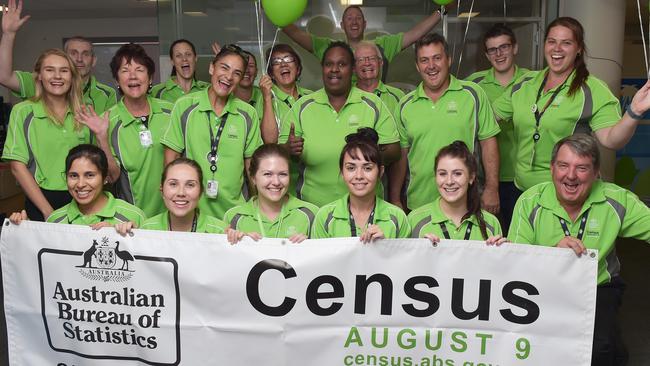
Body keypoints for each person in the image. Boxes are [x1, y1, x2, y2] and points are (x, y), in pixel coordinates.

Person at [508, 134, 650, 366]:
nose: (571, 175)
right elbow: (514, 262)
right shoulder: (529, 202)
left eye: (582, 168)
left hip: (598, 287)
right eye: (563, 166)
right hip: (541, 288)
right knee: (537, 347)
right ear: (552, 168)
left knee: (600, 348)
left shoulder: (616, 200)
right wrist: (553, 254)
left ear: (596, 174)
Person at [492, 17, 650, 193]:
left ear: (579, 49)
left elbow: (611, 139)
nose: (557, 48)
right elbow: (488, 119)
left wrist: (634, 111)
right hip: (522, 192)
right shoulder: (524, 83)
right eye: (551, 41)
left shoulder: (592, 89)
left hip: (568, 192)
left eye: (566, 43)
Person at [278, 41, 400, 207]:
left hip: (365, 208)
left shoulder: (373, 105)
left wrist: (369, 153)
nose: (334, 69)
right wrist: (288, 149)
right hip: (313, 208)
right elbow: (278, 155)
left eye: (342, 64)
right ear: (322, 68)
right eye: (329, 64)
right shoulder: (302, 106)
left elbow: (394, 150)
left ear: (353, 69)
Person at [1, 48, 115, 222]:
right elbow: (17, 166)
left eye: (64, 71)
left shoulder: (84, 113)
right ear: (39, 76)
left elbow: (108, 172)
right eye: (49, 70)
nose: (57, 76)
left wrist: (102, 136)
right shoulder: (23, 111)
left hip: (85, 200)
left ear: (72, 77)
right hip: (42, 201)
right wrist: (48, 211)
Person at [392, 33, 501, 213]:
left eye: (437, 58)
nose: (431, 66)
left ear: (448, 60)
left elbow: (488, 142)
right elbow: (401, 156)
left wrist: (492, 188)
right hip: (420, 204)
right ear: (417, 66)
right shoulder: (405, 105)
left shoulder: (472, 95)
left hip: (466, 203)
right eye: (424, 60)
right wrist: (395, 197)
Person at [161, 44, 263, 219]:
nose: (229, 77)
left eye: (237, 73)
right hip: (193, 211)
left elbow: (251, 167)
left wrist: (255, 210)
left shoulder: (247, 114)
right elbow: (171, 160)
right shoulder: (185, 106)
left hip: (235, 213)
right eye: (224, 68)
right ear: (211, 68)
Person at [87, 43, 172, 217]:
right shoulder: (107, 121)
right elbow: (111, 177)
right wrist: (102, 138)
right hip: (131, 220)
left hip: (175, 214)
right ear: (117, 80)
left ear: (150, 78)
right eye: (125, 70)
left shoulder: (171, 113)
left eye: (139, 69)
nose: (133, 76)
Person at [465, 23, 529, 232]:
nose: (499, 54)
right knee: (486, 237)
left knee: (521, 236)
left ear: (515, 48)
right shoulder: (474, 85)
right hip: (483, 177)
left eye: (504, 47)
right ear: (486, 54)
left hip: (522, 177)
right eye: (492, 49)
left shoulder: (533, 82)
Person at [0, 0, 116, 114]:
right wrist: (8, 34)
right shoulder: (40, 81)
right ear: (64, 57)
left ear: (93, 60)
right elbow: (4, 77)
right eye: (73, 53)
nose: (79, 59)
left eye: (85, 54)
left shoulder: (107, 94)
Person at [282, 4, 446, 79]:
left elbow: (415, 33)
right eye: (349, 19)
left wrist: (441, 11)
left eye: (358, 18)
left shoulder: (382, 45)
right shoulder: (330, 48)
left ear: (365, 24)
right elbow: (296, 33)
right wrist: (275, 16)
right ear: (342, 25)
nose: (354, 22)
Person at [10, 145, 145, 228]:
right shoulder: (55, 221)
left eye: (89, 175)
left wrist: (127, 237)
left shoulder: (133, 216)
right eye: (74, 176)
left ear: (105, 178)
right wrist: (24, 231)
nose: (80, 184)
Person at [312, 128, 410, 241]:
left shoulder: (398, 218)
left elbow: (405, 258)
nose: (359, 176)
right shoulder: (324, 217)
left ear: (380, 172)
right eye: (351, 168)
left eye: (367, 168)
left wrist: (385, 246)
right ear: (342, 172)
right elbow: (319, 258)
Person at [408, 141, 505, 245]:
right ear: (435, 177)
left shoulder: (491, 223)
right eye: (442, 174)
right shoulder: (415, 220)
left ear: (471, 177)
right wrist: (419, 251)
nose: (449, 181)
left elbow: (497, 261)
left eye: (457, 174)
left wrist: (503, 251)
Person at [224, 144, 318, 242]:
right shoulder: (234, 216)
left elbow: (322, 254)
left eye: (283, 174)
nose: (276, 182)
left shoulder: (310, 213)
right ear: (253, 178)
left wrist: (310, 245)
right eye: (267, 174)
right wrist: (241, 243)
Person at [141, 158, 229, 233]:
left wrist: (239, 242)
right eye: (173, 184)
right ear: (162, 190)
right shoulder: (147, 229)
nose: (181, 193)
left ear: (201, 191)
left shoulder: (220, 232)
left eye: (190, 185)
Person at [259, 43, 312, 143]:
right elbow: (270, 141)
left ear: (298, 69)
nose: (283, 64)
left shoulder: (311, 97)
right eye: (276, 61)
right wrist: (267, 97)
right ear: (271, 74)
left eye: (288, 59)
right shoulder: (265, 99)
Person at [150, 39, 210, 103]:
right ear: (172, 61)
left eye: (188, 54)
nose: (184, 59)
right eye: (178, 55)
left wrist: (221, 63)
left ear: (195, 58)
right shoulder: (156, 92)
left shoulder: (208, 89)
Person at [233, 50, 264, 120]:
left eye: (251, 66)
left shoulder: (263, 95)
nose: (247, 70)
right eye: (243, 65)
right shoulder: (225, 95)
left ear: (256, 72)